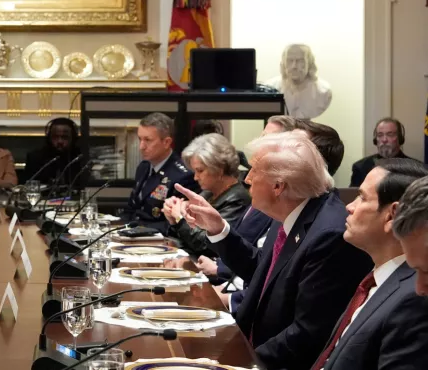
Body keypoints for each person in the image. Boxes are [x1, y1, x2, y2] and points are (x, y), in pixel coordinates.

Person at [178, 132, 371, 370]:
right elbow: (260, 270)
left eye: (254, 171)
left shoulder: (328, 236)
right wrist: (218, 228)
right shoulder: (293, 208)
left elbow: (307, 332)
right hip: (252, 345)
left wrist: (240, 362)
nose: (246, 178)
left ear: (278, 186)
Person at [309, 157, 428, 370]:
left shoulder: (413, 298)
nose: (349, 207)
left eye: (362, 198)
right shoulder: (373, 278)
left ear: (392, 215)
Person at [163, 133, 249, 257]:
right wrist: (173, 217)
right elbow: (184, 239)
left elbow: (207, 246)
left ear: (219, 169)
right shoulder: (207, 193)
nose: (195, 177)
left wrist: (180, 219)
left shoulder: (238, 198)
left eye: (200, 171)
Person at [124, 113, 198, 232]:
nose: (141, 146)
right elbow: (131, 208)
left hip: (159, 241)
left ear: (167, 142)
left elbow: (176, 224)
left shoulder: (182, 175)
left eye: (148, 140)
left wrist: (139, 229)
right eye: (140, 139)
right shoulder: (143, 168)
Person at [264, 43, 332, 119]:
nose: (294, 66)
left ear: (309, 63)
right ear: (283, 63)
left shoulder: (323, 91)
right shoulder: (270, 88)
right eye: (290, 61)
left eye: (300, 61)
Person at [23, 117, 86, 187]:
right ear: (49, 138)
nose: (60, 141)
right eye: (55, 137)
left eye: (65, 137)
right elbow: (27, 186)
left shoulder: (81, 158)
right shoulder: (35, 158)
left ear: (73, 138)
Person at [351, 118, 409, 188]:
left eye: (390, 135)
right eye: (380, 135)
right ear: (375, 140)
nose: (384, 140)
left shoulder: (415, 168)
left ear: (400, 139)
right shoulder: (361, 167)